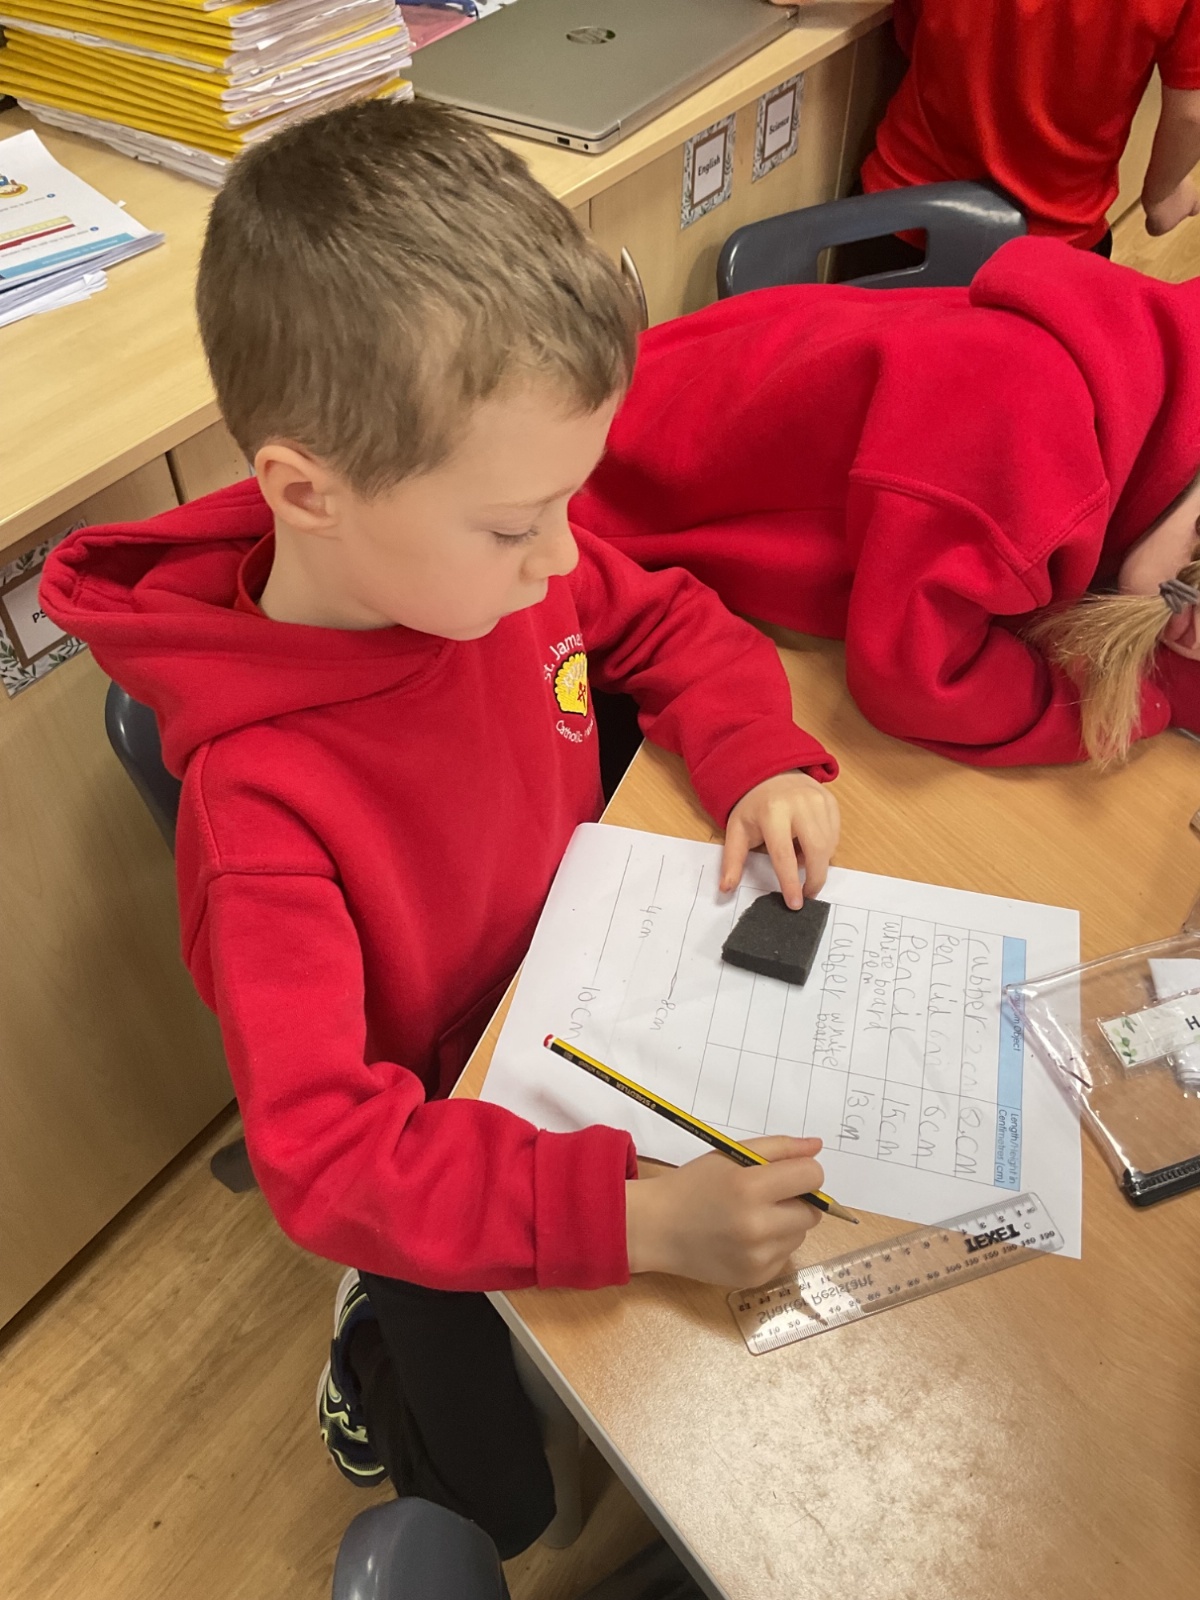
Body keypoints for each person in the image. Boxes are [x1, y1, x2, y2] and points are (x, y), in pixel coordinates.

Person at [40, 100, 841, 1558]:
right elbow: (326, 1161)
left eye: (568, 504)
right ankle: (370, 1357)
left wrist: (759, 757)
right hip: (438, 1144)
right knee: (504, 1501)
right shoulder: (260, 807)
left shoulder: (489, 562)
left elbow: (665, 619)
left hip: (588, 1020)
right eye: (518, 523)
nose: (561, 556)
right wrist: (639, 1227)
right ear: (308, 494)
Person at [571, 237, 1200, 768]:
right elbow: (919, 687)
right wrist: (1152, 698)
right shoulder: (1027, 434)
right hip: (601, 507)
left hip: (668, 408)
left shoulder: (1153, 401)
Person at [852, 0, 1200, 255]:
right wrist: (1162, 194)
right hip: (1055, 240)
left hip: (903, 205)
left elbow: (913, 30)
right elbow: (1192, 114)